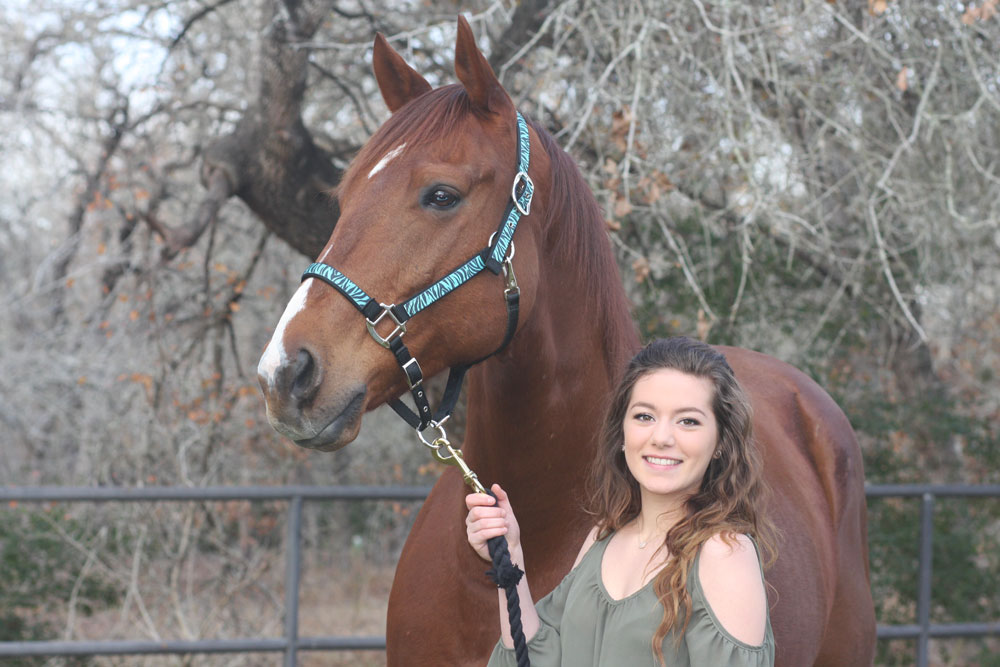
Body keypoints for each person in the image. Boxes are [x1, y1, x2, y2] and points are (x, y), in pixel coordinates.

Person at [466, 337, 777, 666]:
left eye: (688, 421)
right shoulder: (602, 537)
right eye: (644, 416)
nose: (661, 437)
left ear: (719, 443)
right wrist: (509, 556)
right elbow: (539, 658)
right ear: (623, 433)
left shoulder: (723, 554)